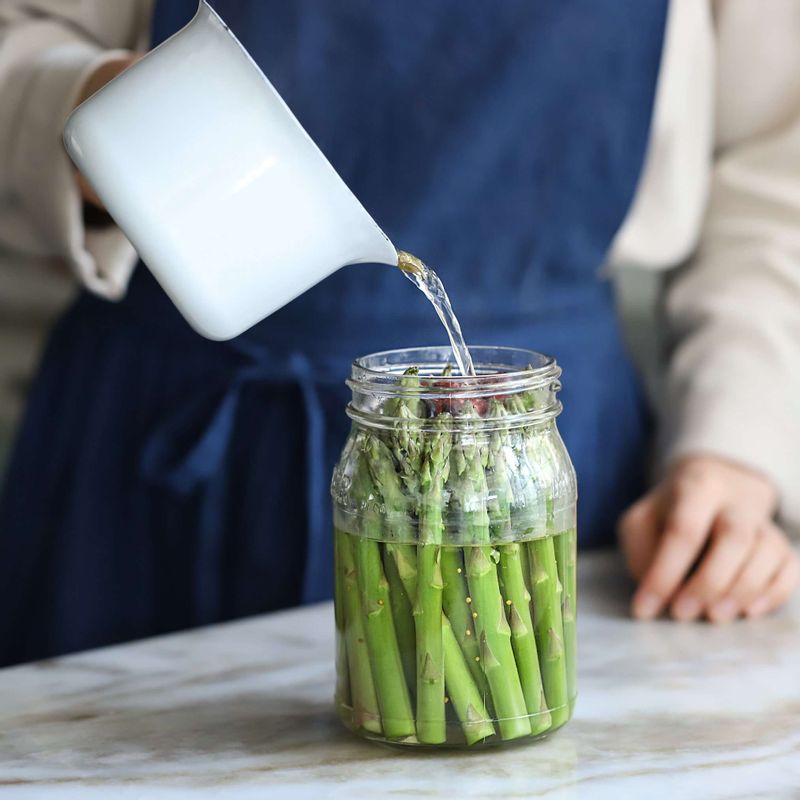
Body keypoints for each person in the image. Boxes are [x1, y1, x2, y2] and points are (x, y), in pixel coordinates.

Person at [1, 0, 798, 666]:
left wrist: (735, 443)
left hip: (547, 422)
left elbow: (774, 159)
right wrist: (92, 113)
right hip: (165, 435)